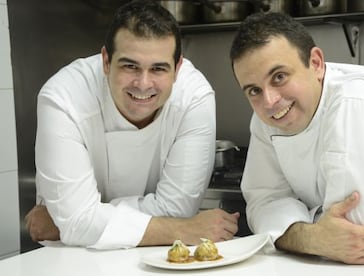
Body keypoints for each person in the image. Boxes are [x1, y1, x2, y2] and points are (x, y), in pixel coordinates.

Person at [24, 0, 239, 250]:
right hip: (72, 257)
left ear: (177, 68)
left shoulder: (194, 96)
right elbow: (78, 223)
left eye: (158, 68)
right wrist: (181, 228)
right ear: (106, 61)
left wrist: (74, 220)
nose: (143, 84)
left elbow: (178, 209)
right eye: (130, 66)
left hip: (158, 255)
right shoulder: (63, 96)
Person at [229, 12, 364, 265]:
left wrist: (298, 228)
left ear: (315, 63)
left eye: (279, 77)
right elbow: (263, 201)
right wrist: (313, 237)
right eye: (254, 90)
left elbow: (355, 232)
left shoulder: (358, 101)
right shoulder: (266, 119)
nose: (269, 101)